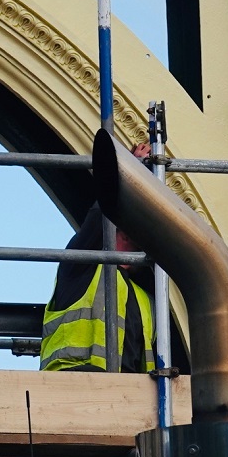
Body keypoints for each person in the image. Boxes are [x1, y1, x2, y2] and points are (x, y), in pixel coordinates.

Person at [41, 144, 159, 373]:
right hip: (72, 380)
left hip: (128, 396)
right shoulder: (80, 269)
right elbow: (99, 216)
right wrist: (128, 172)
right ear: (122, 230)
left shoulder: (148, 300)